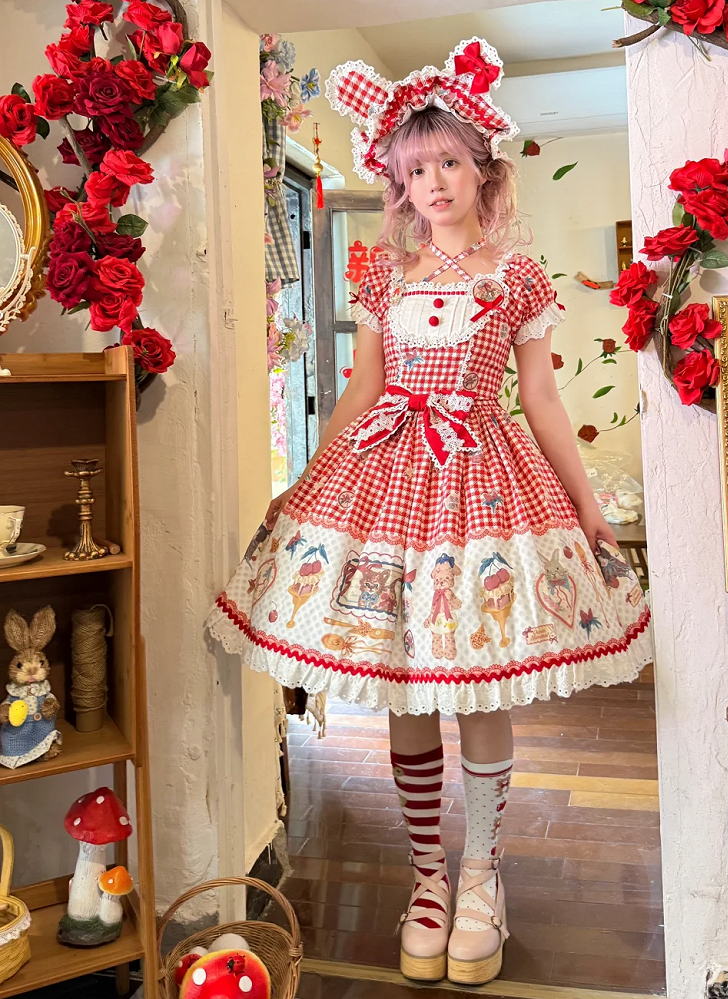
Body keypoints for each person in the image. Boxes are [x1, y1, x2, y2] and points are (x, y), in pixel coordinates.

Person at [207, 37, 653, 987]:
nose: (433, 182)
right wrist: (304, 481)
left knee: (480, 681)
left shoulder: (519, 277)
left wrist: (585, 504)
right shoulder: (383, 273)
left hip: (485, 481)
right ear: (399, 184)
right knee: (406, 683)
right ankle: (426, 879)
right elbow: (363, 386)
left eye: (448, 161)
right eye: (415, 170)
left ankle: (483, 873)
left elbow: (541, 398)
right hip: (387, 481)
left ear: (482, 168)